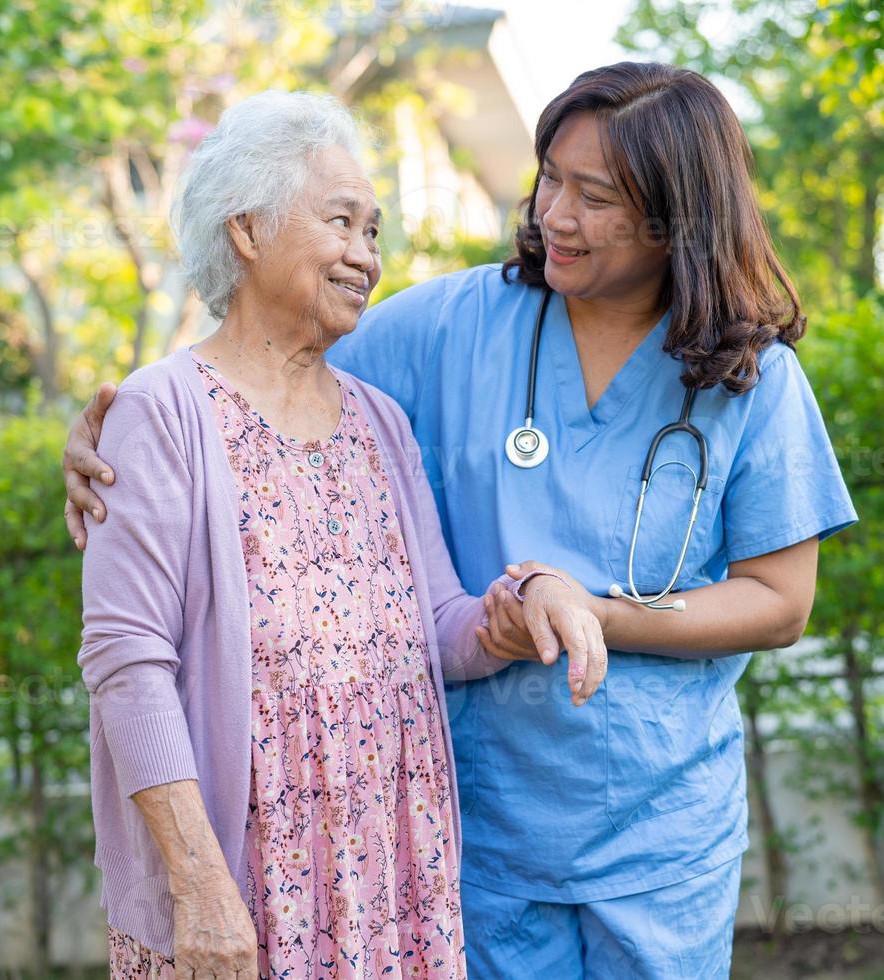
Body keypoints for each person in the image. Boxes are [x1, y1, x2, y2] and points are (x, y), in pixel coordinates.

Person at [68, 63, 858, 978]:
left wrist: (592, 613)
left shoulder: (746, 376)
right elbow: (266, 359)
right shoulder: (449, 324)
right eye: (550, 178)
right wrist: (110, 432)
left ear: (677, 217)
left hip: (659, 833)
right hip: (472, 838)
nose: (554, 214)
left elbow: (780, 602)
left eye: (594, 197)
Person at [76, 90, 607, 980]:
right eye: (342, 223)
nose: (366, 255)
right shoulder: (159, 412)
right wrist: (201, 885)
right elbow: (127, 660)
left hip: (391, 863)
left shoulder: (381, 423)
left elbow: (440, 624)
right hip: (242, 870)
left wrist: (519, 606)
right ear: (246, 231)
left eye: (374, 232)